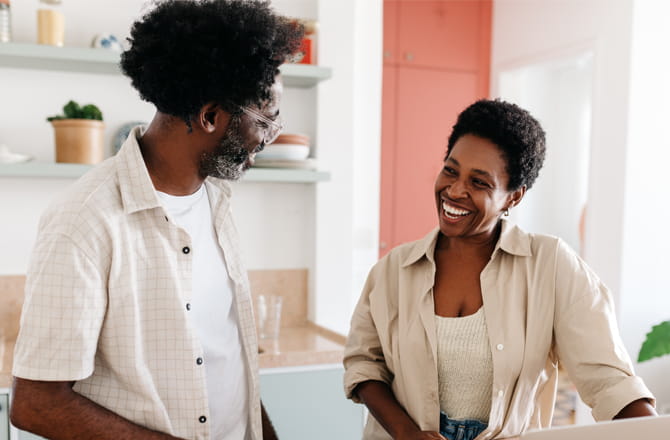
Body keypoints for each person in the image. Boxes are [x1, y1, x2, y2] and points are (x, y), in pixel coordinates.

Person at [10, 1, 303, 439]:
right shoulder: (85, 220)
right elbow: (36, 403)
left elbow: (224, 354)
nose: (268, 139)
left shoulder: (217, 200)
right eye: (267, 120)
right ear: (209, 116)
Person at [343, 99, 656, 440]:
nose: (455, 190)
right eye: (451, 170)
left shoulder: (550, 265)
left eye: (479, 182)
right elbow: (363, 364)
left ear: (513, 197)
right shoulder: (393, 270)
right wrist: (405, 432)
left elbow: (610, 381)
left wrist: (652, 432)